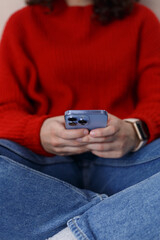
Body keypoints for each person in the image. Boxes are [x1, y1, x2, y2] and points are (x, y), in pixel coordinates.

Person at [0, 0, 160, 239]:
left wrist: (134, 130)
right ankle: (121, 218)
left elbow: (156, 97)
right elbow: (5, 109)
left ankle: (68, 233)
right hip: (44, 167)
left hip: (126, 161)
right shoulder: (22, 23)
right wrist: (38, 131)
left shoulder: (142, 20)